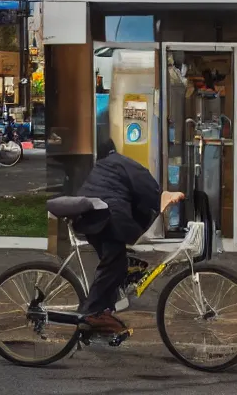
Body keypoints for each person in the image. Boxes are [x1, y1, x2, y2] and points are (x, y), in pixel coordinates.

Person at [74, 136, 184, 335]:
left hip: (90, 218)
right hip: (106, 217)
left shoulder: (100, 168)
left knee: (113, 264)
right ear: (113, 150)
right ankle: (92, 313)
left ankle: (104, 312)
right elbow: (143, 181)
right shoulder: (119, 161)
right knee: (112, 264)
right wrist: (162, 196)